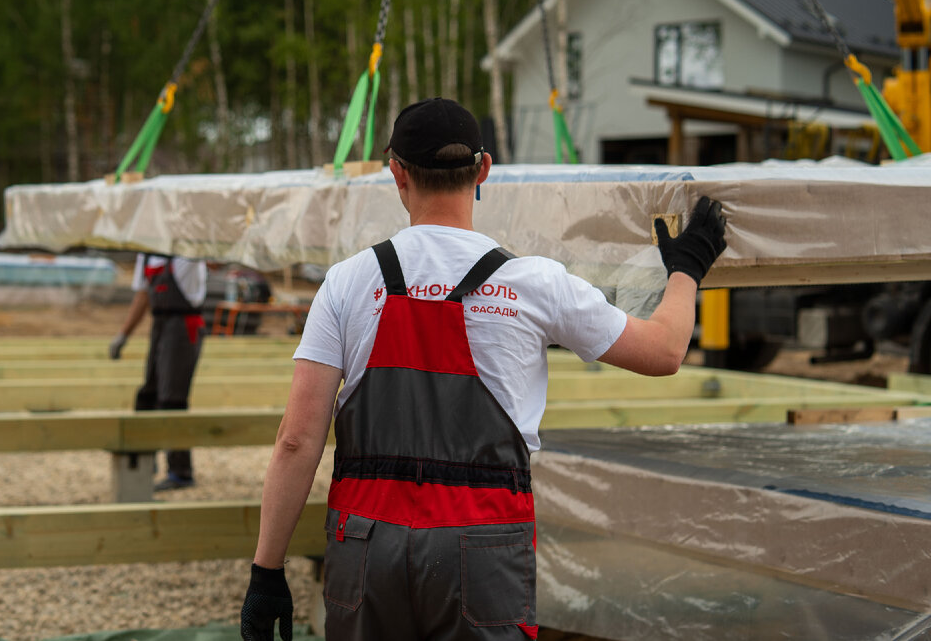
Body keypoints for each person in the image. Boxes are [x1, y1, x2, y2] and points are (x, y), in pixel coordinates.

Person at [239, 97, 727, 640]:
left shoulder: (347, 282)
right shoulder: (535, 282)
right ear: (483, 171)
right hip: (484, 547)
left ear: (396, 173)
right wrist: (687, 268)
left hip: (367, 545)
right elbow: (663, 352)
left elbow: (295, 441)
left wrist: (267, 570)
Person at [109, 252, 208, 492]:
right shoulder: (147, 255)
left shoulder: (188, 253)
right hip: (160, 325)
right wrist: (124, 334)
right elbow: (143, 296)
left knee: (172, 399)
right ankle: (143, 461)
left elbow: (211, 255)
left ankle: (180, 471)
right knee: (147, 396)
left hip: (184, 326)